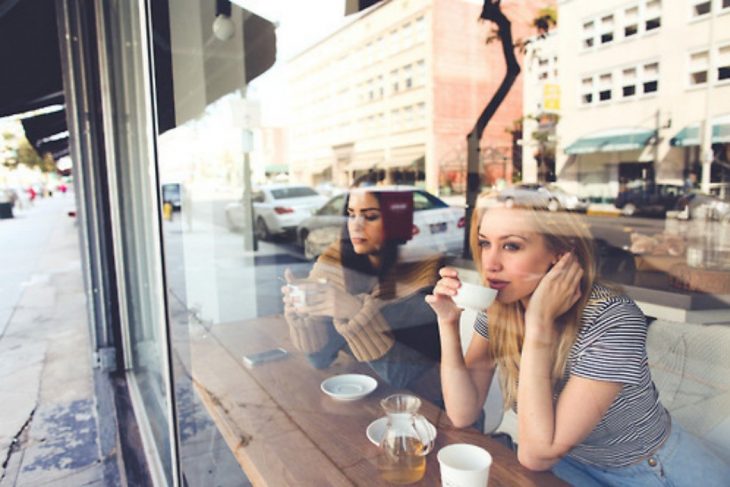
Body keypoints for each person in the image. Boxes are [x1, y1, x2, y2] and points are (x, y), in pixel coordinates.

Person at [426, 192, 729, 486]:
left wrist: (538, 324)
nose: (490, 263)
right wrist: (448, 321)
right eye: (484, 243)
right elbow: (463, 413)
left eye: (512, 246)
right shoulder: (501, 307)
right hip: (570, 466)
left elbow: (536, 455)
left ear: (560, 253)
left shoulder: (611, 318)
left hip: (651, 471)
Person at [282, 188, 442, 401]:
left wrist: (355, 312)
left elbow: (404, 375)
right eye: (351, 214)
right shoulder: (335, 267)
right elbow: (320, 360)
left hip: (420, 406)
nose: (356, 225)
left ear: (396, 222)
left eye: (370, 216)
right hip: (357, 396)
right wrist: (305, 319)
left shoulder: (421, 276)